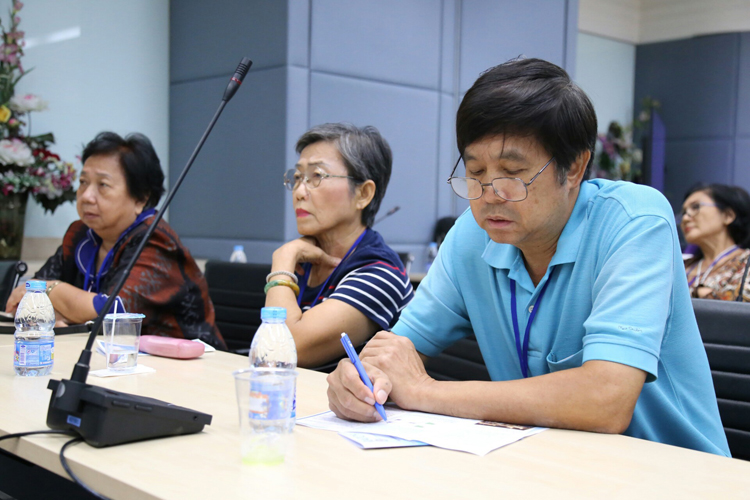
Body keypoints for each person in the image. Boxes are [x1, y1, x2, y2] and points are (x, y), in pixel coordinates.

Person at [326, 58, 730, 456]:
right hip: (546, 462)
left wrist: (424, 391)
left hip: (674, 470)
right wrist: (360, 381)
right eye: (476, 173)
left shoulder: (634, 220)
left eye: (512, 173)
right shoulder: (472, 234)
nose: (488, 196)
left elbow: (606, 398)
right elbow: (396, 352)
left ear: (575, 167)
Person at [5, 132, 226, 350]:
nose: (86, 196)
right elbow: (25, 300)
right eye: (83, 182)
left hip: (186, 364)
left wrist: (51, 290)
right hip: (109, 357)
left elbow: (113, 311)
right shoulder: (80, 234)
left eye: (103, 185)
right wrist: (55, 312)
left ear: (141, 198)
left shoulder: (155, 241)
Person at [265, 123, 413, 368]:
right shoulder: (305, 261)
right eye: (298, 177)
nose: (299, 192)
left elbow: (284, 350)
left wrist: (284, 258)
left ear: (363, 194)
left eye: (317, 176)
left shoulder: (380, 272)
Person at [681, 183, 750, 301]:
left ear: (728, 216)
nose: (685, 218)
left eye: (695, 207)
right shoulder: (680, 266)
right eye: (683, 213)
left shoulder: (746, 262)